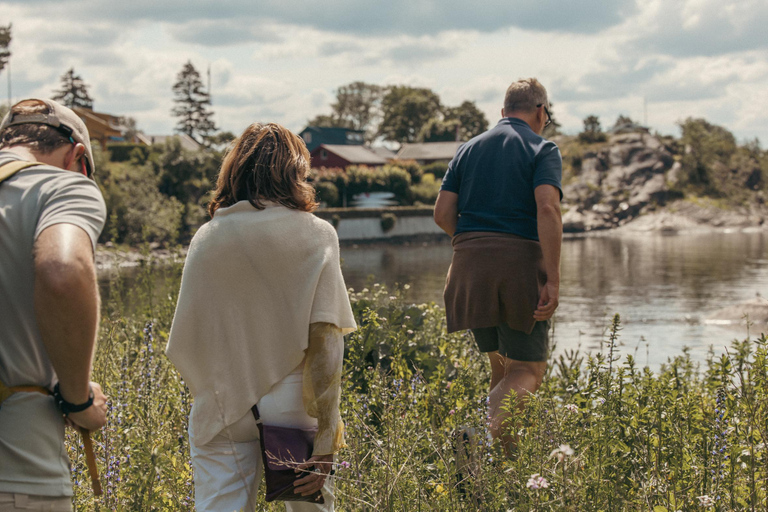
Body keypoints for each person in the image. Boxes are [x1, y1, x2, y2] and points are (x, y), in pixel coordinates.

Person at [166, 122, 356, 512]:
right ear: (295, 172)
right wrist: (325, 438)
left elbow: (188, 337)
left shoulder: (207, 236)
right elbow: (325, 340)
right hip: (291, 399)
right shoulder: (318, 235)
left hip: (221, 398)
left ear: (235, 172)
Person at [434, 78, 563, 455]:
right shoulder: (542, 148)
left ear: (503, 112)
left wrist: (474, 246)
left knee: (503, 367)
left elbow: (442, 214)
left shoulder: (466, 150)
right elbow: (548, 208)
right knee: (528, 370)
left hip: (467, 271)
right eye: (547, 116)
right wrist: (552, 279)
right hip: (518, 271)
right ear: (540, 111)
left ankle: (502, 467)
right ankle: (476, 434)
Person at [0, 99, 108, 511]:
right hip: (19, 473)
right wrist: (79, 399)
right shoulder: (60, 186)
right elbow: (63, 270)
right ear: (77, 156)